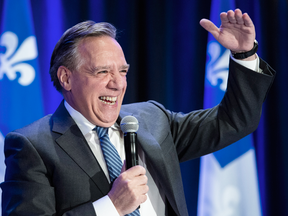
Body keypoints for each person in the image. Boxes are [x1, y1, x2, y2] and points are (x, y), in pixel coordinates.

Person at [1, 9, 275, 216]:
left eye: (122, 71)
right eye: (102, 71)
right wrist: (111, 206)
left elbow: (233, 121)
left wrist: (244, 55)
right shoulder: (32, 146)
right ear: (66, 78)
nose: (118, 83)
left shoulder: (151, 119)